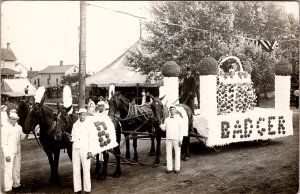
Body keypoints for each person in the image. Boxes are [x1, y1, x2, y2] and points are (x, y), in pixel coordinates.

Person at [1, 112, 27, 193]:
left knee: (17, 168)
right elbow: (3, 143)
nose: (13, 120)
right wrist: (6, 154)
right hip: (9, 152)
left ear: (17, 119)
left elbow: (22, 137)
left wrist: (27, 132)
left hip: (17, 151)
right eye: (12, 119)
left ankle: (16, 184)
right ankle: (8, 188)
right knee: (8, 169)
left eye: (15, 119)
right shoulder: (4, 128)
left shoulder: (19, 127)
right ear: (9, 119)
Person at [71, 108, 93, 194]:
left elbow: (91, 139)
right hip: (76, 148)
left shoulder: (89, 125)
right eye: (80, 114)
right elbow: (73, 136)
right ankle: (77, 189)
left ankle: (87, 190)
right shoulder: (75, 125)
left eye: (84, 114)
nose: (82, 116)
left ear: (86, 115)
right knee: (76, 169)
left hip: (85, 149)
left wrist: (90, 151)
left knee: (86, 169)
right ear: (78, 115)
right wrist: (71, 138)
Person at [160, 105, 183, 174]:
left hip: (176, 138)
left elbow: (181, 130)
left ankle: (177, 168)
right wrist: (159, 123)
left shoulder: (179, 119)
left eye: (173, 109)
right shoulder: (167, 119)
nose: (172, 111)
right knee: (168, 154)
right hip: (169, 138)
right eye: (171, 110)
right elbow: (164, 128)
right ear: (169, 111)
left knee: (177, 153)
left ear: (175, 111)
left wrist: (180, 140)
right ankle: (169, 168)